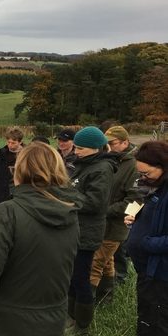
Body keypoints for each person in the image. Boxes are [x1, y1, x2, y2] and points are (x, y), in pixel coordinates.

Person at [0, 142, 80, 336]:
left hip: (5, 322)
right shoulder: (70, 214)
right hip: (52, 320)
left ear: (19, 171)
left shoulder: (6, 213)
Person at [66, 126, 115, 334]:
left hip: (87, 233)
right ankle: (70, 316)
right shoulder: (84, 165)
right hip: (74, 229)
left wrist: (67, 197)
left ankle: (82, 324)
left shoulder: (102, 169)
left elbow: (95, 203)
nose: (76, 151)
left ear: (95, 148)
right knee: (70, 277)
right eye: (76, 147)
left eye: (80, 148)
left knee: (80, 278)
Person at [90, 126, 140, 304]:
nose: (108, 147)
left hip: (116, 225)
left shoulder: (134, 165)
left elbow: (135, 201)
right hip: (101, 222)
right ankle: (106, 297)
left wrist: (104, 210)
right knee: (107, 260)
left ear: (125, 142)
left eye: (112, 143)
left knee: (95, 263)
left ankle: (83, 306)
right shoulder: (110, 161)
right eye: (106, 144)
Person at [124, 141, 168, 336]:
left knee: (157, 323)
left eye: (146, 174)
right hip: (148, 271)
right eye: (140, 174)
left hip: (161, 273)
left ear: (163, 167)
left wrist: (147, 243)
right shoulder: (157, 187)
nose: (143, 179)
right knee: (147, 318)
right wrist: (137, 221)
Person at [0, 127, 24, 206]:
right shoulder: (0, 154)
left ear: (20, 142)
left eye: (13, 143)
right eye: (9, 142)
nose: (10, 145)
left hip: (18, 196)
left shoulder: (26, 156)